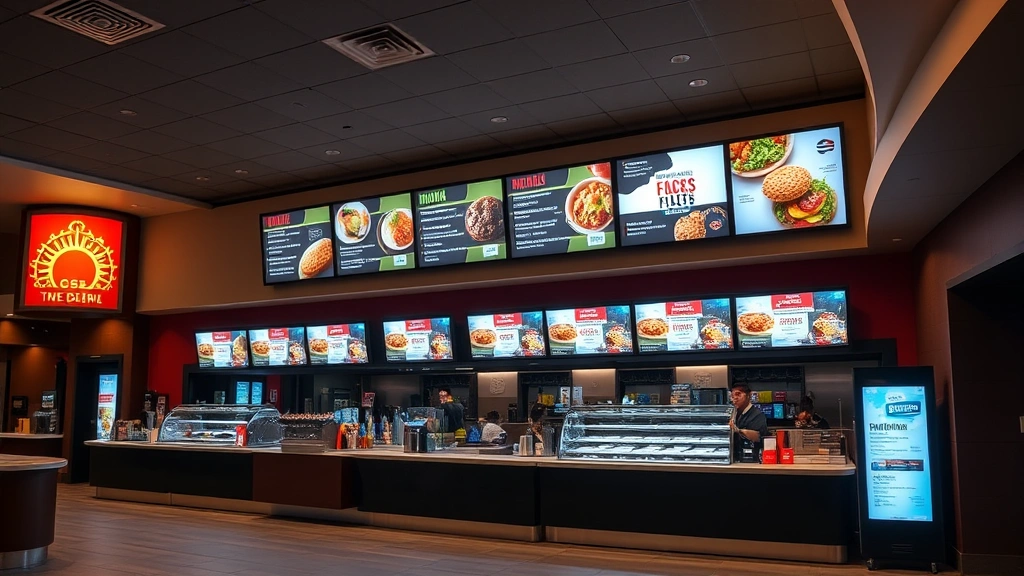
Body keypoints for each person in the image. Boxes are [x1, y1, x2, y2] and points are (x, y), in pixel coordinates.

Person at [729, 384, 769, 458]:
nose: (735, 398)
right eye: (732, 396)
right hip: (735, 457)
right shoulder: (733, 413)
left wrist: (738, 431)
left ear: (748, 395)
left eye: (738, 394)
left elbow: (758, 436)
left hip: (752, 457)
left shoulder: (757, 415)